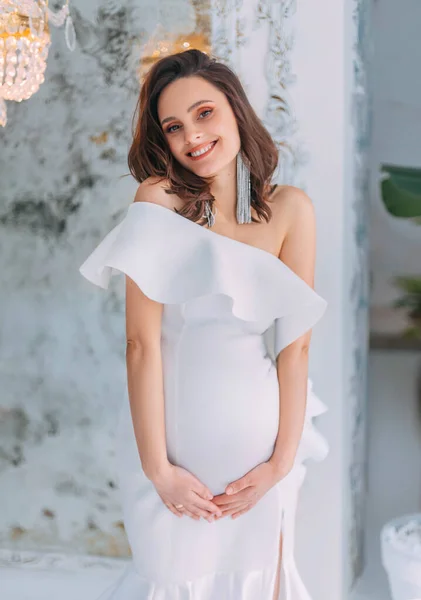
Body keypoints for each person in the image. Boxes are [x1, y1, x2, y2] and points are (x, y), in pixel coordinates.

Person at [79, 48, 329, 600]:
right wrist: (158, 470)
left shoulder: (291, 209)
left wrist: (280, 465)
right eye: (174, 126)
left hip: (262, 451)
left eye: (204, 113)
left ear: (235, 109)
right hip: (172, 457)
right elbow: (140, 345)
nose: (192, 135)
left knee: (266, 584)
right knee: (167, 582)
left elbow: (296, 347)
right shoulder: (159, 203)